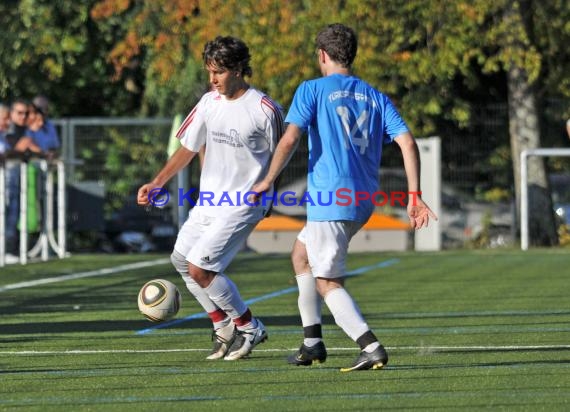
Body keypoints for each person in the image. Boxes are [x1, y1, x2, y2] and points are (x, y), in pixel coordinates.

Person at [252, 23, 437, 372]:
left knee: (327, 282)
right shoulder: (376, 96)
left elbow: (290, 139)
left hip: (330, 199)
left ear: (322, 55)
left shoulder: (312, 90)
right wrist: (415, 196)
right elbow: (408, 143)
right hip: (364, 199)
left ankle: (370, 346)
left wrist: (267, 180)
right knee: (301, 254)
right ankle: (312, 343)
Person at [137, 36, 284, 360]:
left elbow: (283, 153)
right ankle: (223, 325)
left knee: (200, 267)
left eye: (218, 72)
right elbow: (187, 148)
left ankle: (249, 327)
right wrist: (158, 181)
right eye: (209, 71)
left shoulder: (264, 109)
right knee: (181, 261)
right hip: (209, 202)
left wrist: (271, 191)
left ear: (238, 69)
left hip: (245, 202)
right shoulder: (208, 103)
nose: (212, 79)